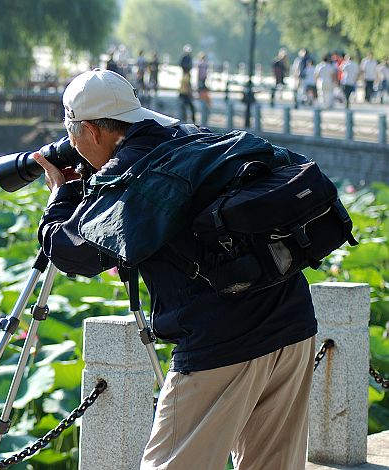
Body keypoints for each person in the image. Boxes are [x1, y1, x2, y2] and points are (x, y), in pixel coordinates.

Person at [32, 68, 317, 470]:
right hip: (292, 317)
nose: (71, 147)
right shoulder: (187, 137)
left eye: (71, 134)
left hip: (225, 338)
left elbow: (74, 253)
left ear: (92, 131)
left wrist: (61, 199)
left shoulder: (131, 172)